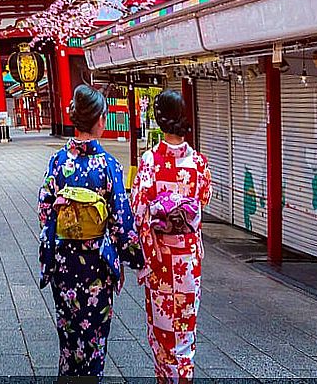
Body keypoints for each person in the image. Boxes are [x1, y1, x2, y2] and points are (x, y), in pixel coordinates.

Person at [38, 84, 143, 380]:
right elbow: (121, 221)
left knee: (69, 333)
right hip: (96, 265)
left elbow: (45, 209)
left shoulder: (59, 162)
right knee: (95, 336)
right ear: (99, 120)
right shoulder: (108, 165)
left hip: (64, 264)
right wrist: (135, 258)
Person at [131, 89, 212, 384]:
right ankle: (185, 377)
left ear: (159, 119)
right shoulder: (198, 164)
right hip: (188, 259)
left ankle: (165, 378)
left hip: (160, 259)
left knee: (163, 330)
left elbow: (139, 210)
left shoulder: (150, 161)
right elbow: (204, 200)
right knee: (186, 329)